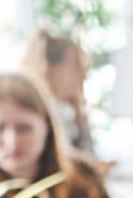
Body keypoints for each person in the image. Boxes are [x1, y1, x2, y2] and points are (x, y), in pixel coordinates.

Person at [20, 28, 94, 156]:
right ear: (55, 70)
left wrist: (80, 116)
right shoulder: (43, 116)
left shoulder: (67, 111)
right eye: (77, 68)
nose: (84, 76)